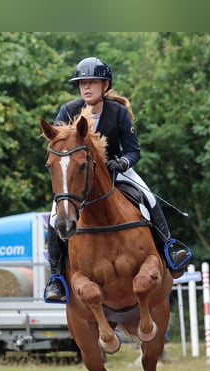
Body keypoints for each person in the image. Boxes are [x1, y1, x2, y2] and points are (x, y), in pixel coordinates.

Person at [44, 57, 192, 303]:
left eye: (92, 82)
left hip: (116, 170)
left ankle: (169, 248)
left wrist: (122, 163)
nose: (86, 87)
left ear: (105, 85)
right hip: (80, 176)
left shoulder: (118, 112)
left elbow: (134, 150)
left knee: (148, 197)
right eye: (82, 83)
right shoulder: (68, 111)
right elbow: (61, 150)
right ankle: (56, 277)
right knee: (53, 215)